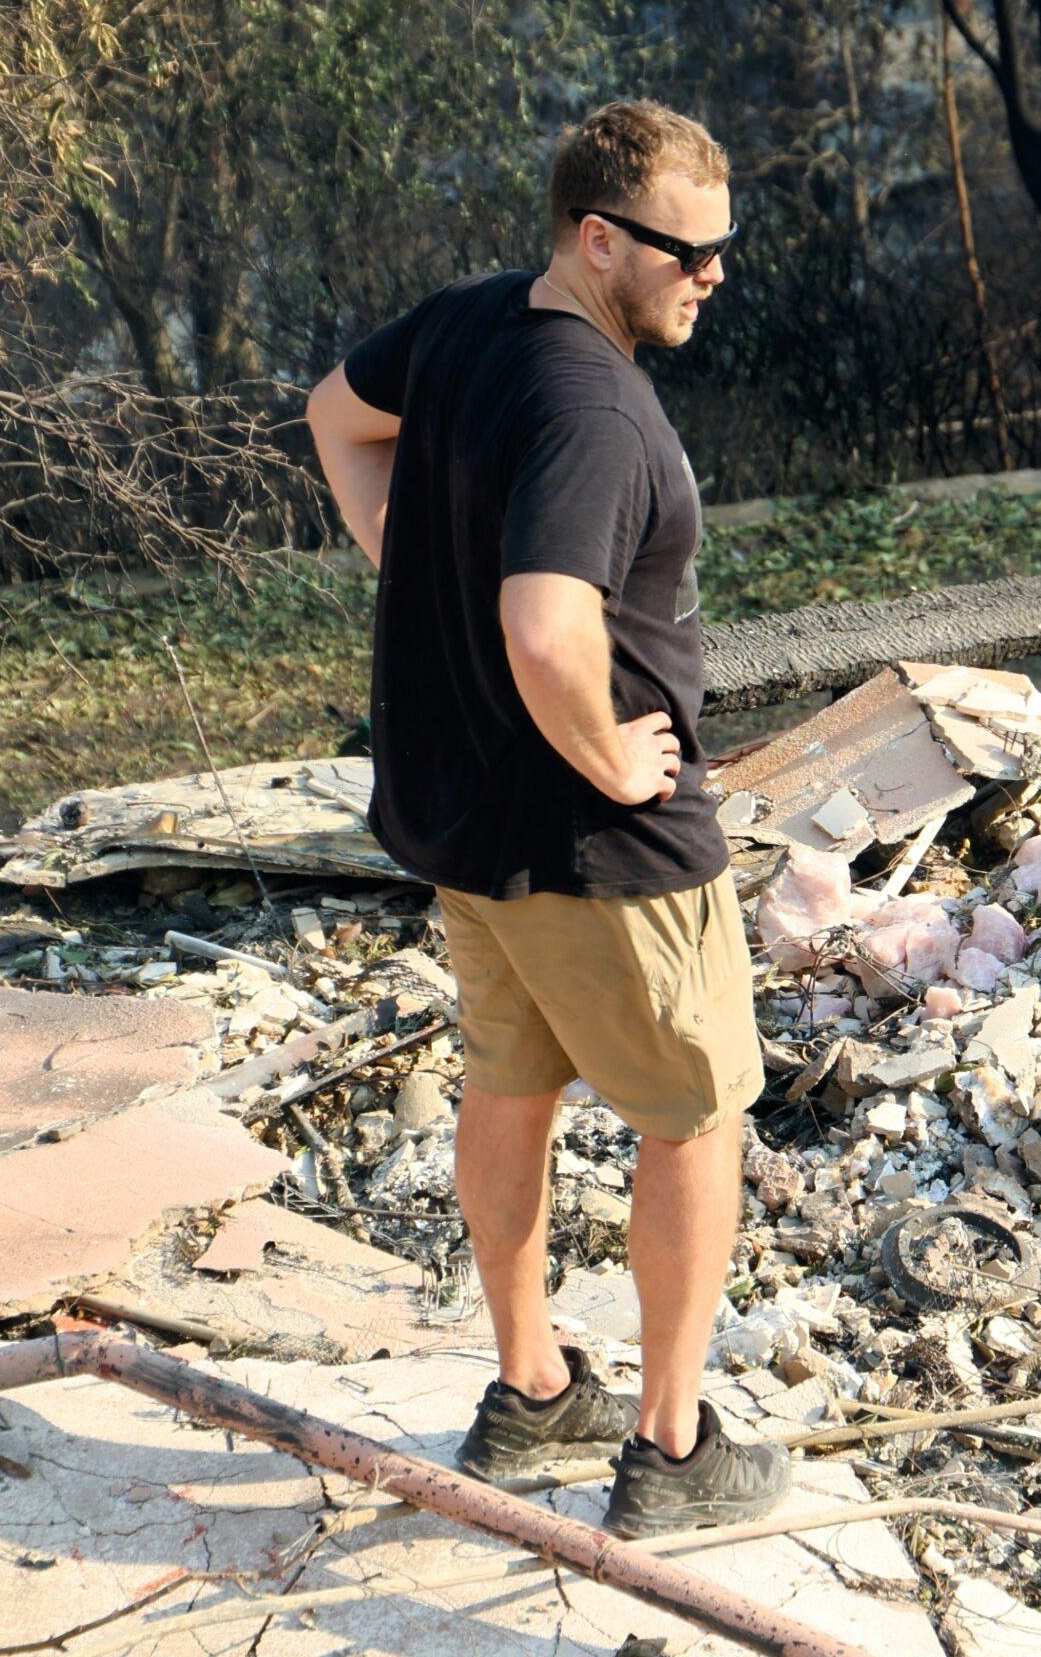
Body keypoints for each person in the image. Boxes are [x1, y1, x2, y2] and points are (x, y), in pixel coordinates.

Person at [303, 99, 787, 1538]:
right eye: (687, 254)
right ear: (597, 238)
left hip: (465, 823)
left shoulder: (463, 326)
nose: (712, 277)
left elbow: (337, 414)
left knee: (512, 1085)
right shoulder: (592, 406)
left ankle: (531, 1395)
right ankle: (674, 1444)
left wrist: (402, 554)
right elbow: (542, 621)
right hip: (599, 850)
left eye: (723, 250)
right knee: (699, 1116)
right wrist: (612, 760)